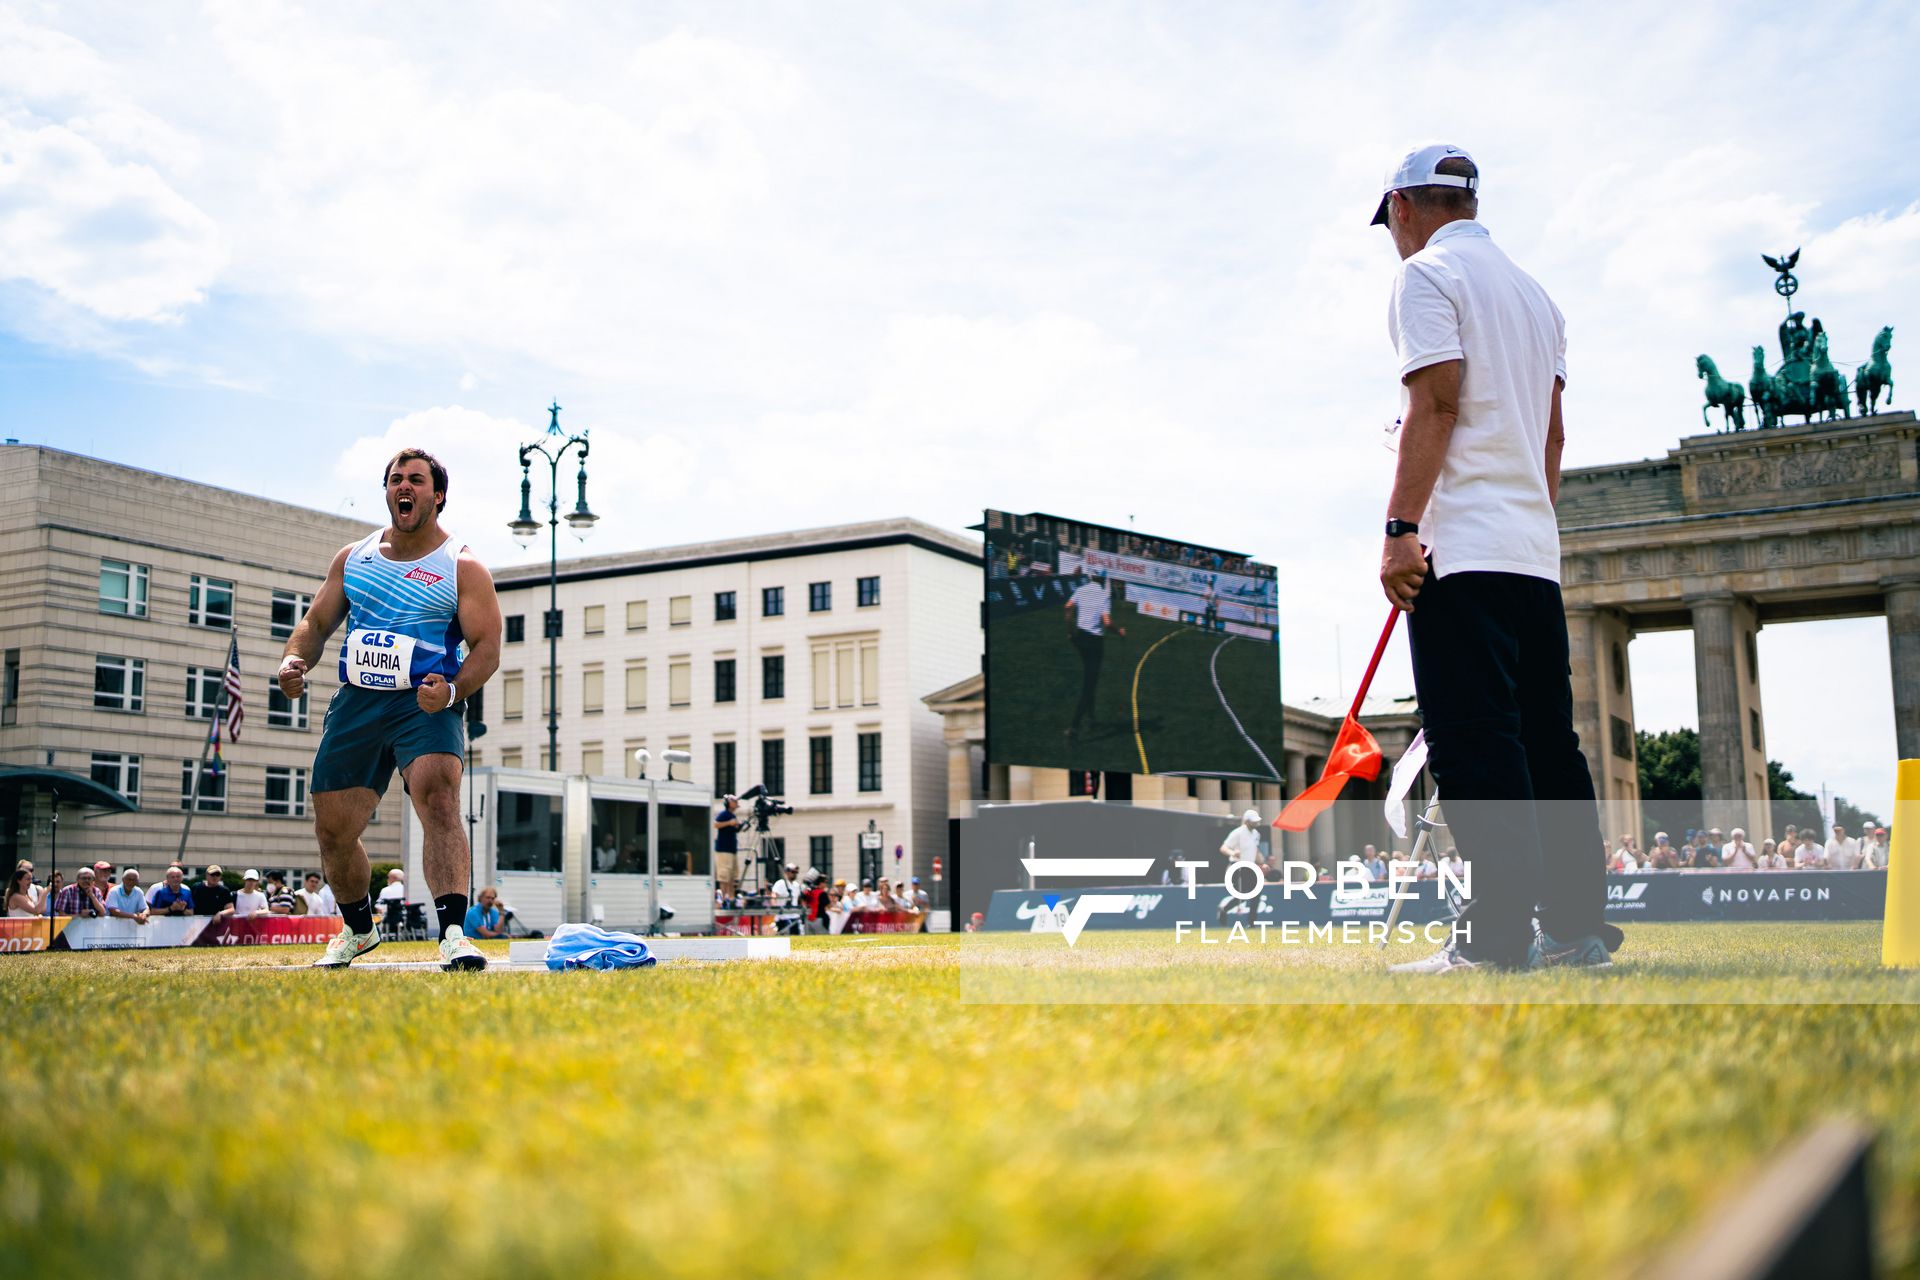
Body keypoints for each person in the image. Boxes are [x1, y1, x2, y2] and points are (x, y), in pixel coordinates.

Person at [1372, 142, 1618, 973]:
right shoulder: (1537, 296)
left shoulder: (1425, 278)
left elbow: (1434, 402)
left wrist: (1401, 527)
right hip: (1530, 553)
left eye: (1390, 222)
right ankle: (1577, 931)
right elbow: (1551, 435)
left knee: (1477, 743)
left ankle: (1496, 937)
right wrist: (1528, 527)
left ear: (1403, 208)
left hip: (1462, 550)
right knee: (1550, 745)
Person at [278, 447, 502, 971]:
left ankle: (452, 934)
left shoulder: (461, 566)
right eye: (396, 479)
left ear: (437, 495)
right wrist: (293, 659)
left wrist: (451, 692)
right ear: (387, 492)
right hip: (358, 699)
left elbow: (488, 648)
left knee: (439, 799)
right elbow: (315, 624)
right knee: (333, 828)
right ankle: (358, 930)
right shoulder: (354, 558)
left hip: (426, 699)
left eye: (417, 480)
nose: (405, 487)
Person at [1065, 569, 1125, 742]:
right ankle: (1074, 727)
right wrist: (1119, 631)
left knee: (1090, 678)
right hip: (1095, 642)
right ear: (1103, 579)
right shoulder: (1104, 595)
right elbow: (1106, 622)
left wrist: (1070, 632)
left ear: (1090, 577)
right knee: (1089, 685)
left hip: (1081, 638)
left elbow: (1068, 607)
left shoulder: (1081, 589)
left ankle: (1091, 718)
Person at [713, 794, 742, 907]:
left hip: (731, 849)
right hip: (724, 850)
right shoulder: (724, 815)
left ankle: (731, 897)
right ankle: (723, 899)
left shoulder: (732, 815)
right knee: (724, 875)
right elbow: (716, 824)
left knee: (732, 875)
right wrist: (729, 823)